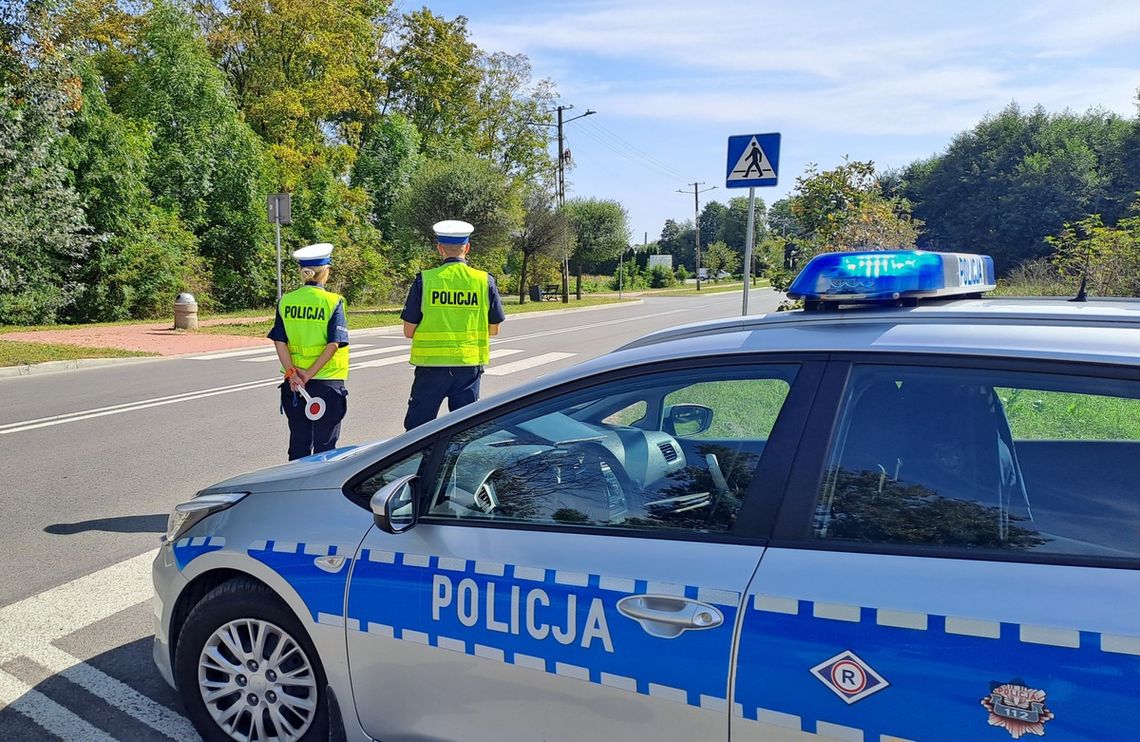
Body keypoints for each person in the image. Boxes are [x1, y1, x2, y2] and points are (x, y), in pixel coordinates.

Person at [401, 219, 505, 430]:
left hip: (430, 368)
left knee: (418, 430)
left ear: (440, 249)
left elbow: (408, 330)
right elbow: (494, 329)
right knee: (464, 430)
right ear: (467, 248)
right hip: (468, 367)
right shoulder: (484, 281)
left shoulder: (425, 280)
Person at [268, 243, 350, 460]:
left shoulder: (286, 301)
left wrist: (293, 374)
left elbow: (279, 341)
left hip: (295, 385)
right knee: (325, 448)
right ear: (326, 272)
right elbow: (333, 345)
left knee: (299, 444)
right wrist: (309, 374)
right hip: (326, 384)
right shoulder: (334, 301)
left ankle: (294, 490)